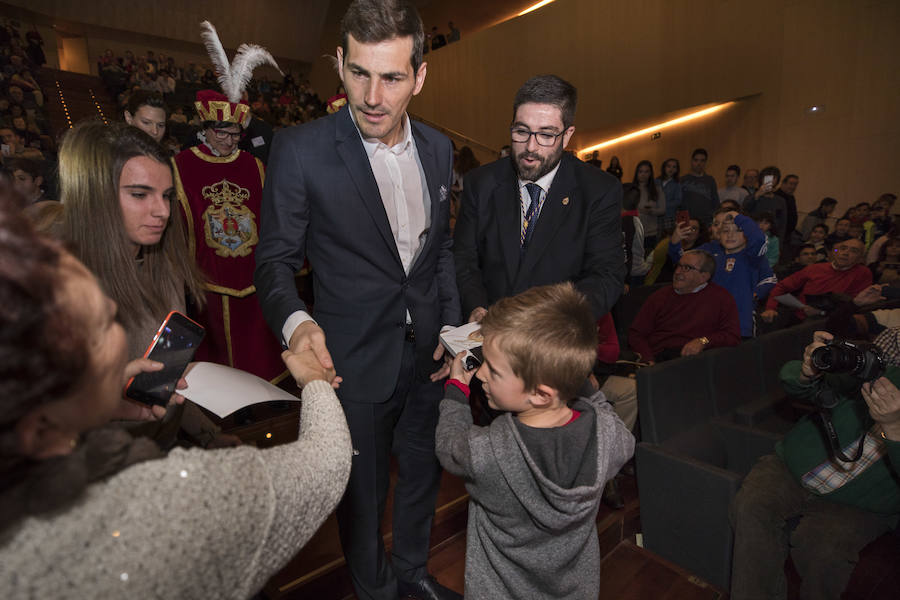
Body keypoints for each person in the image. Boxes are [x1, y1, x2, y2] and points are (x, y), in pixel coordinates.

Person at [0, 196, 353, 598]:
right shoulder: (165, 506)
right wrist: (315, 383)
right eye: (102, 324)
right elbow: (325, 464)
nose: (115, 305)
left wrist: (86, 405)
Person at [254, 2, 462, 598]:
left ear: (419, 77)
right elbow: (273, 262)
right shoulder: (301, 149)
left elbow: (438, 254)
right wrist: (296, 324)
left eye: (392, 77)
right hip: (350, 361)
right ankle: (375, 591)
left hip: (426, 357)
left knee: (422, 474)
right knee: (364, 496)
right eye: (359, 73)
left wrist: (449, 330)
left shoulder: (440, 149)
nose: (372, 96)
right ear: (339, 63)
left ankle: (415, 575)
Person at [435, 283, 634, 599]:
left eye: (494, 371)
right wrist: (573, 375)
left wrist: (457, 390)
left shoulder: (487, 452)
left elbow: (449, 446)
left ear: (541, 393)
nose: (482, 374)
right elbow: (608, 416)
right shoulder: (610, 435)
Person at [730, 329, 900, 599]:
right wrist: (808, 371)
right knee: (750, 505)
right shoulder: (884, 372)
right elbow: (799, 385)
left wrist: (894, 427)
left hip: (863, 505)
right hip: (794, 466)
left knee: (824, 552)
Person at [454, 74, 624, 323]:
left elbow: (606, 276)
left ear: (567, 136)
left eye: (546, 135)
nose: (530, 147)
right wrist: (476, 307)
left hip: (555, 341)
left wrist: (544, 324)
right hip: (487, 336)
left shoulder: (598, 190)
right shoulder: (481, 183)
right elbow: (464, 260)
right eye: (521, 131)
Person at [173, 89, 287, 383]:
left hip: (253, 275)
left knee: (258, 347)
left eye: (235, 135)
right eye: (221, 134)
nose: (228, 141)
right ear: (205, 130)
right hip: (208, 277)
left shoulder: (253, 165)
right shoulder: (181, 166)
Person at [669, 209, 775, 337]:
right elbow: (681, 261)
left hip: (740, 325)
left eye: (738, 230)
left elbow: (759, 239)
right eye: (725, 231)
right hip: (710, 323)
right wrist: (675, 241)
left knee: (738, 356)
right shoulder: (709, 255)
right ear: (719, 235)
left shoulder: (751, 256)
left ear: (747, 235)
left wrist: (739, 218)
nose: (730, 235)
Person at [629, 250, 741, 362]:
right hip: (659, 359)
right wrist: (648, 360)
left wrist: (703, 341)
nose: (678, 272)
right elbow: (636, 334)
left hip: (698, 361)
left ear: (703, 277)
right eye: (678, 266)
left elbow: (732, 336)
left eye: (687, 268)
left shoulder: (721, 298)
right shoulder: (659, 297)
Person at [762, 238, 872, 325]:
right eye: (843, 248)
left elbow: (854, 305)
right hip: (799, 313)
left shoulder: (862, 273)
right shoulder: (815, 268)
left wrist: (822, 313)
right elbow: (781, 287)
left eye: (853, 251)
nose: (846, 253)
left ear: (860, 258)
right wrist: (770, 308)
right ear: (835, 252)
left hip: (830, 321)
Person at [679, 148, 719, 226]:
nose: (699, 163)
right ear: (691, 161)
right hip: (688, 221)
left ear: (705, 162)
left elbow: (716, 202)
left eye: (702, 161)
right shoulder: (683, 180)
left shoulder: (710, 180)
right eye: (696, 160)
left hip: (706, 222)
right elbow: (679, 203)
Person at [633, 159, 665, 248]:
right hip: (634, 231)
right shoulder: (631, 189)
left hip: (651, 233)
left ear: (650, 173)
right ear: (637, 173)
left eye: (646, 172)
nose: (643, 174)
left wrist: (650, 211)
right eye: (640, 171)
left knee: (647, 260)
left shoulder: (657, 189)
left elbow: (662, 210)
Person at [657, 157, 682, 229]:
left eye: (674, 167)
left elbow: (678, 201)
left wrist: (663, 206)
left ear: (677, 170)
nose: (671, 169)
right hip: (655, 216)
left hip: (669, 216)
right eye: (668, 166)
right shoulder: (657, 181)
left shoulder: (677, 184)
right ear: (664, 167)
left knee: (667, 238)